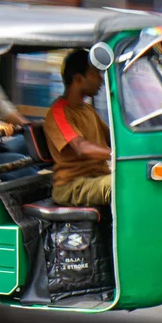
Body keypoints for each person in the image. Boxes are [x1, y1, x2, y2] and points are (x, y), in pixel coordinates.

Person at [43, 49, 112, 207]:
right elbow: (81, 147)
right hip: (73, 186)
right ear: (78, 79)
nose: (101, 80)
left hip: (95, 179)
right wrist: (117, 155)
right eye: (95, 74)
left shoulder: (88, 110)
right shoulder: (58, 113)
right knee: (123, 185)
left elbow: (114, 139)